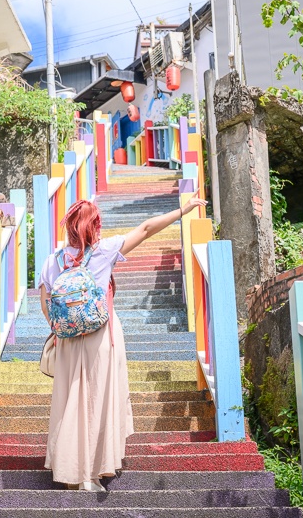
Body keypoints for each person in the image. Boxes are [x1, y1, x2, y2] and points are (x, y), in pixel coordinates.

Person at [39, 197, 207, 491]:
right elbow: (144, 229)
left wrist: (65, 329)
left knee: (71, 404)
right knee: (96, 404)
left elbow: (45, 305)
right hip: (101, 336)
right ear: (95, 226)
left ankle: (70, 472)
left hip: (66, 340)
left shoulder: (52, 261)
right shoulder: (103, 251)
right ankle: (91, 475)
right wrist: (184, 209)